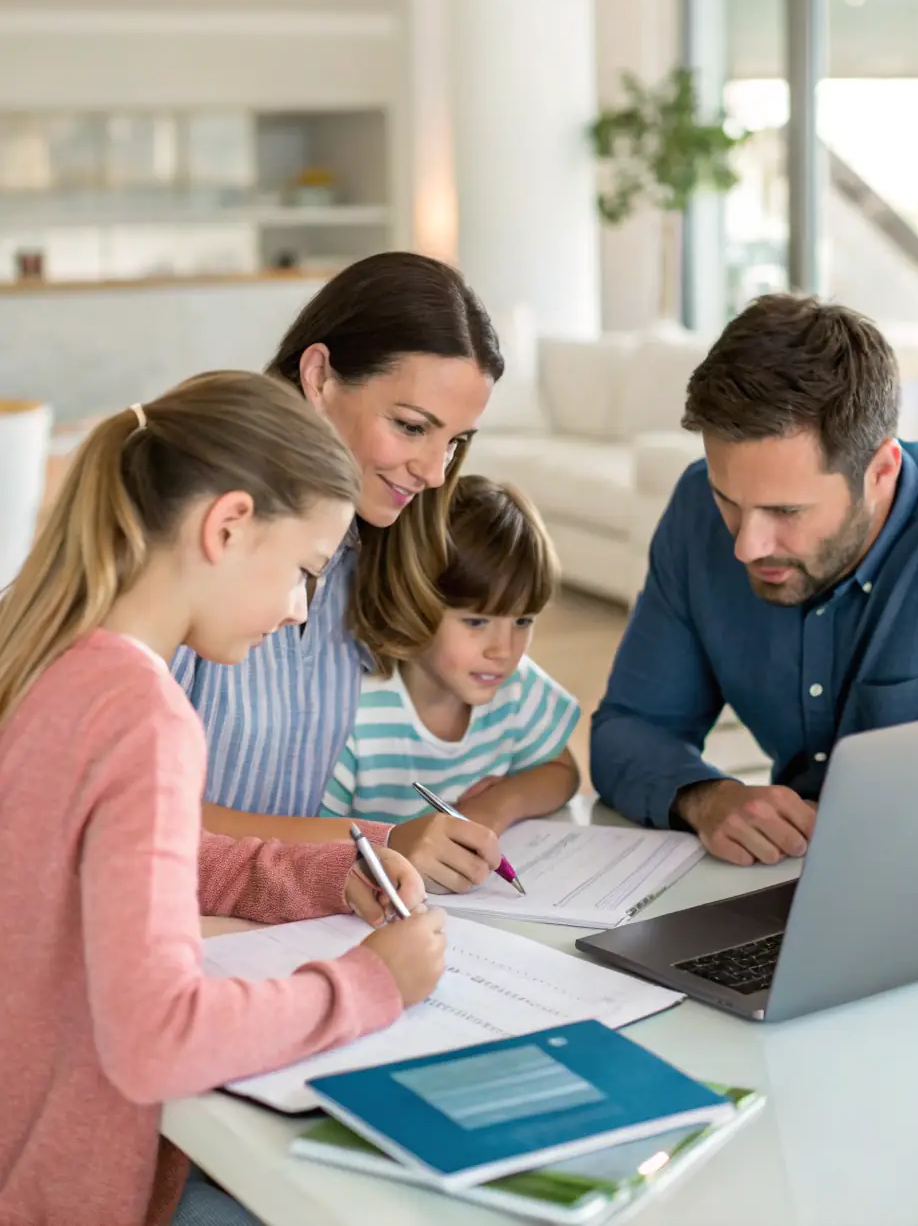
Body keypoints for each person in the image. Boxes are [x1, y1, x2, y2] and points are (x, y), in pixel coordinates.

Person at [0, 371, 446, 1226]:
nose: (298, 611)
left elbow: (136, 861)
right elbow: (156, 1036)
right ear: (229, 524)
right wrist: (369, 983)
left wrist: (319, 878)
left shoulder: (54, 661)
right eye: (305, 571)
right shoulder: (144, 716)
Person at [591, 294, 918, 867]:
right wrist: (706, 797)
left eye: (786, 513)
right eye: (730, 501)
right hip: (790, 881)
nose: (747, 544)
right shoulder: (696, 511)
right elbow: (627, 729)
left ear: (881, 471)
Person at [170, 253, 507, 887]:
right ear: (320, 376)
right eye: (410, 427)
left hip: (278, 917)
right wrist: (381, 842)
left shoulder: (377, 545)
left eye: (456, 441)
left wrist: (493, 804)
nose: (435, 472)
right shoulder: (197, 542)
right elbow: (134, 818)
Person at [320, 476, 580, 893]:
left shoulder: (516, 686)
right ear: (411, 600)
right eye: (476, 621)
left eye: (522, 621)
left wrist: (495, 806)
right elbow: (314, 840)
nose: (503, 649)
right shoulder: (357, 713)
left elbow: (562, 771)